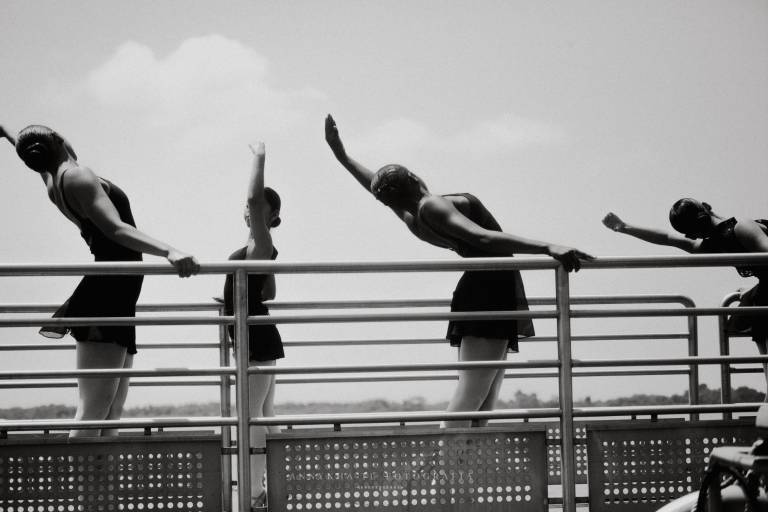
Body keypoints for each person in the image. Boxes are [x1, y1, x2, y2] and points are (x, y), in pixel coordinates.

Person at [324, 114, 593, 428]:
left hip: (485, 289)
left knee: (483, 401)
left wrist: (342, 156)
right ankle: (442, 460)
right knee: (471, 396)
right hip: (489, 292)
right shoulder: (430, 206)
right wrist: (548, 246)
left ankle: (467, 460)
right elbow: (481, 237)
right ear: (414, 178)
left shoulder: (412, 216)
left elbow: (380, 190)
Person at [0, 124, 199, 437]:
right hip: (108, 291)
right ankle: (77, 470)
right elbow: (114, 228)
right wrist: (169, 251)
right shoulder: (77, 176)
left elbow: (30, 151)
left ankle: (102, 471)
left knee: (111, 410)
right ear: (59, 140)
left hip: (118, 290)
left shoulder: (54, 180)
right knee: (94, 408)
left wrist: (8, 132)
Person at [603, 200, 768, 398]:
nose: (697, 236)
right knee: (751, 316)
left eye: (696, 230)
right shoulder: (715, 244)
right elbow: (667, 238)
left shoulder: (742, 227)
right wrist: (624, 227)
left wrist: (756, 291)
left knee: (756, 308)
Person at [222, 142, 283, 510]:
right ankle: (271, 488)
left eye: (256, 208)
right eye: (247, 208)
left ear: (269, 215)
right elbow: (269, 291)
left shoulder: (261, 241)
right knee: (264, 415)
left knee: (251, 417)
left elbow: (253, 196)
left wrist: (259, 156)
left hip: (255, 337)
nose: (248, 210)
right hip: (258, 334)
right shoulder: (261, 247)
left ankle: (254, 493)